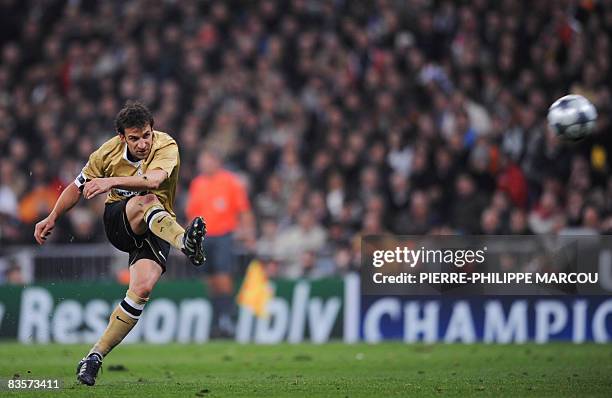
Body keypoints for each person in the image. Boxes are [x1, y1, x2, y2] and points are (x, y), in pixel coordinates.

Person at [33, 102, 207, 386]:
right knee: (146, 201)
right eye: (135, 138)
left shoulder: (166, 145)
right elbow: (76, 187)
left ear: (153, 130)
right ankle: (185, 244)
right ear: (122, 137)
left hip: (158, 224)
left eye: (147, 135)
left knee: (141, 289)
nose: (143, 143)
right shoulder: (106, 153)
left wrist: (108, 181)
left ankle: (93, 357)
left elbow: (153, 180)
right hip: (120, 221)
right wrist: (51, 217)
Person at [186, 148, 254, 337]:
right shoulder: (197, 183)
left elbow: (244, 209)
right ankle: (218, 318)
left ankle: (227, 317)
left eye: (207, 160)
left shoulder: (230, 181)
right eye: (202, 161)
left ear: (216, 161)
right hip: (203, 238)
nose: (204, 164)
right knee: (210, 280)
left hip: (223, 235)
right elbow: (192, 213)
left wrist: (248, 233)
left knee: (223, 277)